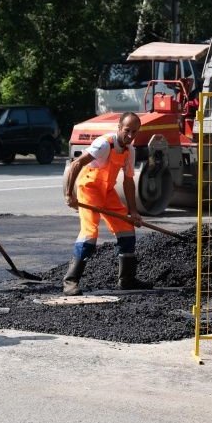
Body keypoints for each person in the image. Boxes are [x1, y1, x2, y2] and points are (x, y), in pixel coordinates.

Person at [61, 112, 151, 296]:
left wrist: (133, 211)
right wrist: (69, 194)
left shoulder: (129, 150)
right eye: (127, 131)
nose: (130, 136)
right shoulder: (104, 144)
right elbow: (76, 164)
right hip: (89, 189)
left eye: (134, 132)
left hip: (107, 191)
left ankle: (127, 280)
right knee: (89, 234)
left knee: (126, 229)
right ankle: (70, 282)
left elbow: (127, 182)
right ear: (119, 127)